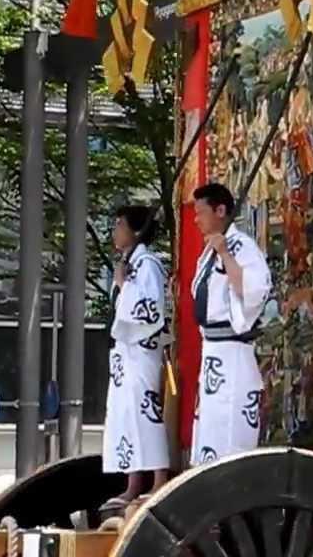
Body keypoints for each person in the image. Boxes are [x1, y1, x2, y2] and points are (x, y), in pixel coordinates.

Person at [189, 183, 272, 465]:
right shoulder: (208, 251)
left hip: (233, 352)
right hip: (212, 351)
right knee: (211, 428)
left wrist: (225, 254)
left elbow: (254, 291)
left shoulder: (241, 247)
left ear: (220, 210)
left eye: (201, 212)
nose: (196, 219)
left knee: (230, 430)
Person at [101, 205, 171, 509]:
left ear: (135, 230)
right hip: (124, 353)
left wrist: (122, 284)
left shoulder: (148, 264)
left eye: (120, 224)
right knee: (125, 414)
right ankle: (133, 481)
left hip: (141, 349)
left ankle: (158, 478)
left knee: (145, 411)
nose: (115, 230)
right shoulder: (130, 264)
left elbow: (151, 309)